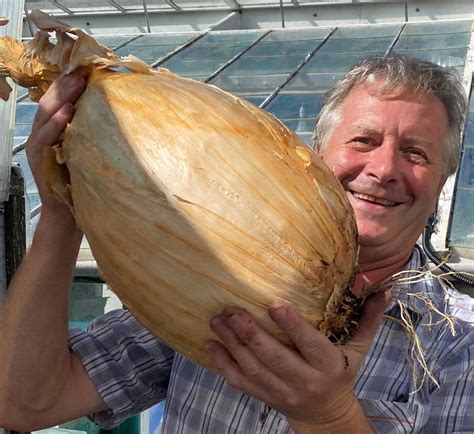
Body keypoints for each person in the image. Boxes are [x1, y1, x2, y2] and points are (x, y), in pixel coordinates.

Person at [0, 54, 473, 433]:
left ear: (443, 178)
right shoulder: (205, 271)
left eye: (415, 152)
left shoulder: (460, 343)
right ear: (313, 156)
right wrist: (61, 217)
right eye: (364, 140)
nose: (384, 169)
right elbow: (25, 403)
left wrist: (328, 418)